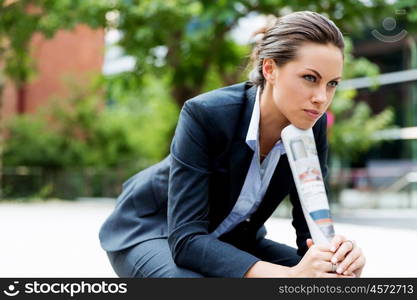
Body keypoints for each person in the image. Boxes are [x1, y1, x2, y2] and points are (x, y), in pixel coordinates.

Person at [99, 11, 366, 278]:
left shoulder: (312, 125)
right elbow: (186, 241)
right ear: (270, 69)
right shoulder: (205, 114)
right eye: (310, 78)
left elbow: (310, 233)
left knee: (336, 280)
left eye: (332, 84)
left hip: (233, 239)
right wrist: (290, 276)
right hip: (154, 230)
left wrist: (338, 257)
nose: (321, 98)